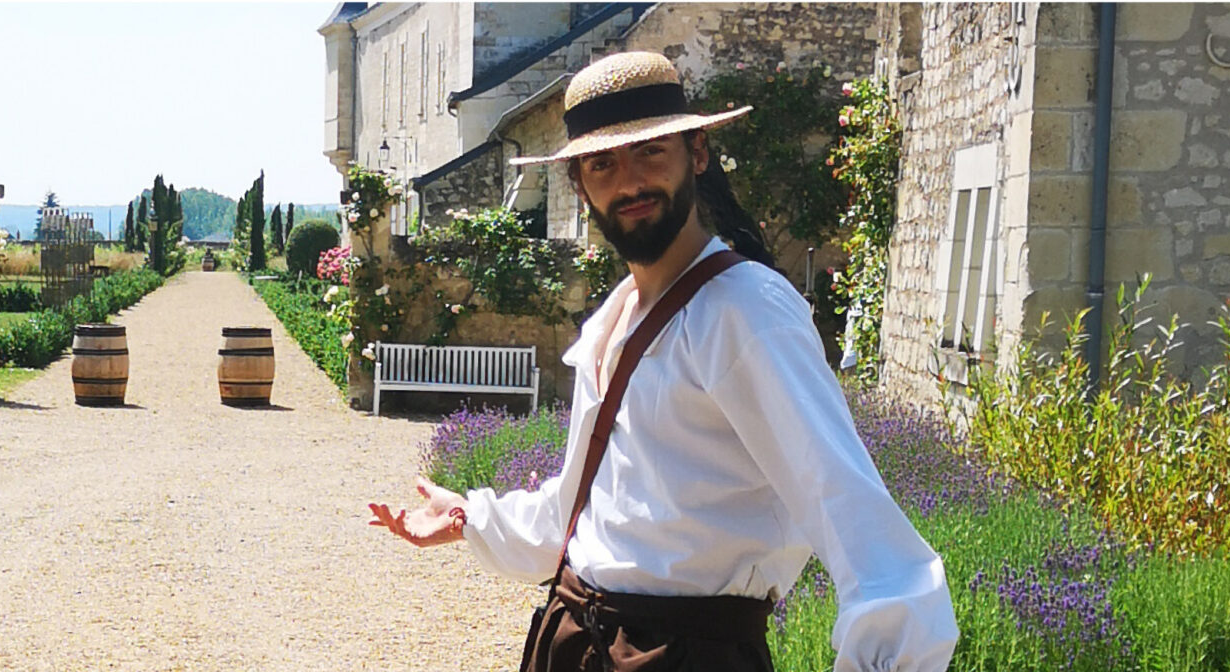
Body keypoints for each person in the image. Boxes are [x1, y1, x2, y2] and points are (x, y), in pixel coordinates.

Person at [365, 51, 958, 671]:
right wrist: (470, 517)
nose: (628, 182)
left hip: (687, 657)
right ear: (579, 183)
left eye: (650, 152)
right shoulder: (613, 320)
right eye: (602, 162)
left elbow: (869, 538)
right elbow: (580, 515)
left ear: (696, 154)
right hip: (575, 643)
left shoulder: (746, 313)